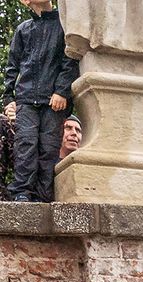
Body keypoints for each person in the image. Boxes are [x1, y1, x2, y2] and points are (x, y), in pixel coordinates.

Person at [3, 0, 74, 203]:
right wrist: (9, 99)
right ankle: (22, 193)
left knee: (49, 148)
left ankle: (43, 196)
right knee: (25, 144)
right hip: (26, 99)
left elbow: (71, 58)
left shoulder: (64, 23)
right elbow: (12, 66)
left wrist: (61, 91)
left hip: (54, 101)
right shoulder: (23, 29)